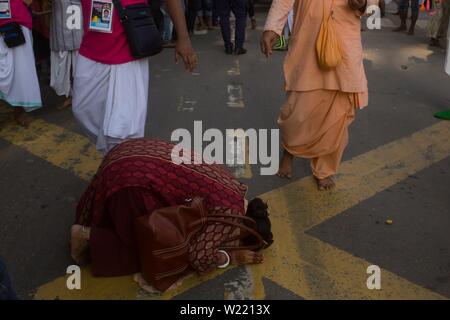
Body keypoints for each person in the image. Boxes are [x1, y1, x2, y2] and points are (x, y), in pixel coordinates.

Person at [70, 138, 273, 293]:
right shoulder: (230, 218)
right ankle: (86, 235)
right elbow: (198, 255)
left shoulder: (235, 188)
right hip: (133, 180)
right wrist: (230, 257)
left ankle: (90, 232)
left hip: (129, 153)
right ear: (242, 232)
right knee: (152, 246)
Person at [261, 0, 369, 191]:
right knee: (297, 113)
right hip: (307, 45)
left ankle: (325, 170)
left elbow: (372, 5)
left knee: (337, 114)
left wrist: (364, 4)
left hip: (345, 48)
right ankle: (289, 151)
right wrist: (272, 27)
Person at [72, 0, 197, 154]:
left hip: (128, 51)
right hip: (91, 48)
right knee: (82, 109)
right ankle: (113, 158)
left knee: (122, 131)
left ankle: (121, 167)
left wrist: (183, 38)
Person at [0, 0, 42, 127]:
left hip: (17, 26)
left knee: (21, 70)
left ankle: (18, 111)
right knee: (20, 70)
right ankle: (18, 112)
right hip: (11, 24)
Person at [49, 0, 83, 110]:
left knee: (80, 63)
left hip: (79, 22)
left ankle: (79, 95)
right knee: (64, 63)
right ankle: (70, 95)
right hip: (61, 23)